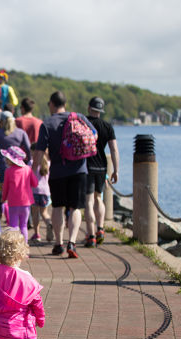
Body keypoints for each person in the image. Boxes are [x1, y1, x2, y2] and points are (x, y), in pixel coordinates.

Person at [32, 91, 96, 259]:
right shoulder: (79, 117)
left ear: (52, 104)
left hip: (58, 172)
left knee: (58, 207)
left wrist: (33, 172)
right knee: (75, 208)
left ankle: (58, 243)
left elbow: (39, 151)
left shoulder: (47, 123)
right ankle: (72, 242)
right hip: (80, 170)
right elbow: (94, 135)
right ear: (64, 104)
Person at [84, 97, 119, 248]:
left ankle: (91, 236)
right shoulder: (107, 126)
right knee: (99, 198)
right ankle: (100, 229)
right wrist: (116, 170)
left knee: (89, 201)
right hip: (102, 167)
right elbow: (114, 149)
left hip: (86, 166)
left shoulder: (83, 124)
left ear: (89, 108)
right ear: (101, 110)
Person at [1, 146, 38, 241]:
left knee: (13, 226)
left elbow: (5, 188)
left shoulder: (8, 171)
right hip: (26, 203)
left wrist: (3, 198)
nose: (5, 160)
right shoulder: (27, 169)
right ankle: (24, 250)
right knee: (24, 226)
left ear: (11, 160)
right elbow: (35, 183)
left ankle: (14, 249)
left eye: (7, 158)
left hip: (13, 203)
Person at [0, 110, 31, 182]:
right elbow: (28, 149)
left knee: (4, 189)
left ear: (1, 121)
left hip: (2, 166)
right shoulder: (21, 133)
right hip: (19, 166)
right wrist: (29, 162)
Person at [30, 145, 53, 243]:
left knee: (35, 213)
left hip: (34, 192)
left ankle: (37, 234)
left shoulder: (31, 163)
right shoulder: (48, 163)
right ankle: (48, 223)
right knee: (44, 213)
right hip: (46, 192)